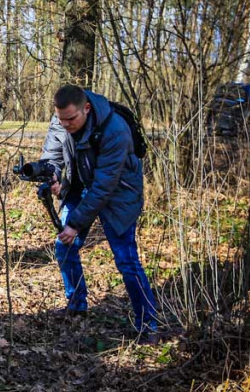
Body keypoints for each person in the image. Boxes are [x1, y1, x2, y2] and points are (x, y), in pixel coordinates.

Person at [38, 84, 159, 342]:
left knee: (126, 261)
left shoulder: (115, 130)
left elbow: (104, 186)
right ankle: (77, 304)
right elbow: (52, 155)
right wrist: (54, 176)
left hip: (119, 195)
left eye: (71, 119)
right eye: (61, 119)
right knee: (64, 247)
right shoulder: (61, 120)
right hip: (81, 185)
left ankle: (148, 325)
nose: (65, 124)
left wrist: (76, 224)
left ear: (87, 109)